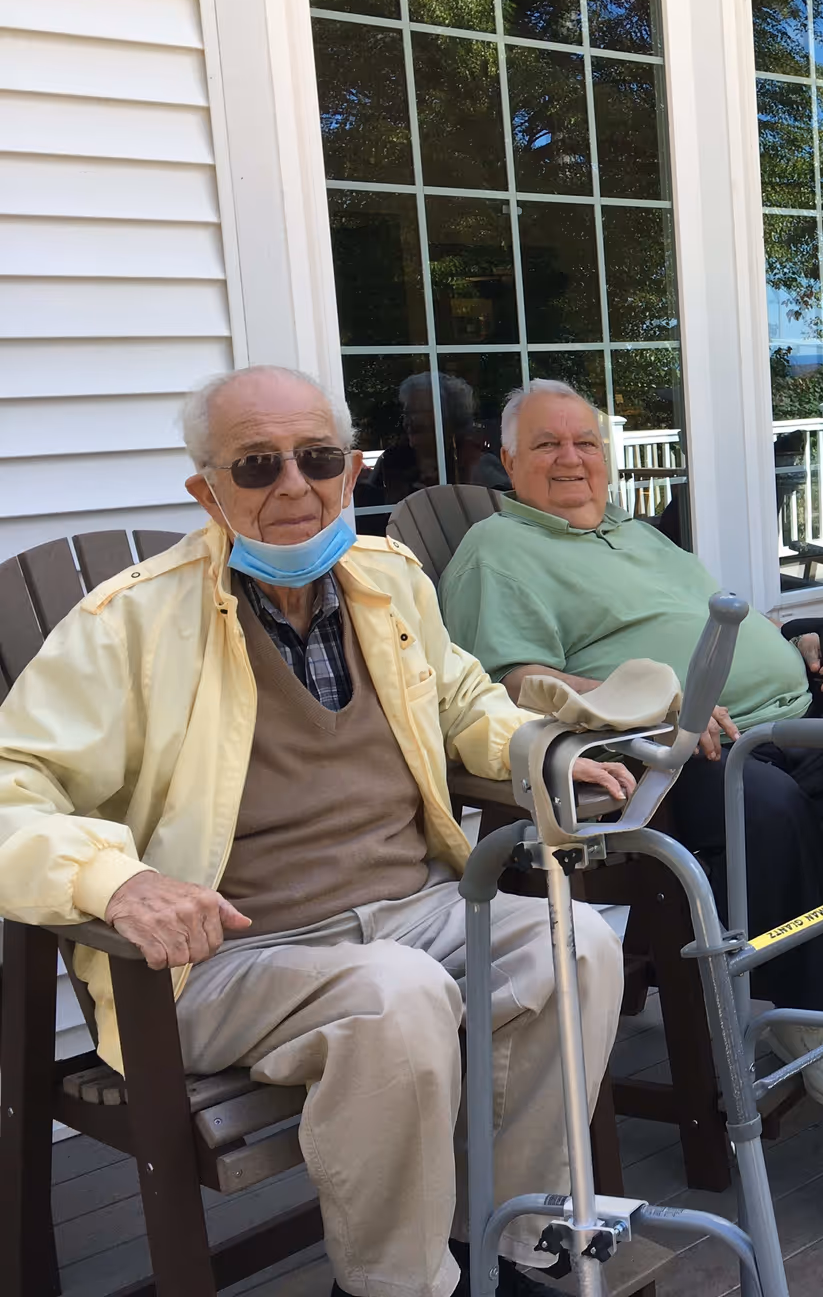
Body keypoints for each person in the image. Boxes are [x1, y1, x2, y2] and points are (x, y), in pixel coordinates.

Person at [0, 366, 637, 1297]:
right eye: (256, 467)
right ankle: (395, 1283)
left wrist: (537, 751)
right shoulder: (129, 624)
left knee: (575, 943)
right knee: (398, 997)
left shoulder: (388, 581)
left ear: (352, 469)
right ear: (205, 490)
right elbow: (13, 782)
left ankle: (512, 1237)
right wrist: (117, 882)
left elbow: (460, 698)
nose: (293, 485)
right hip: (226, 955)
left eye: (318, 458)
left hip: (410, 910)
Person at [439, 379, 823, 1120]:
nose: (572, 459)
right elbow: (515, 682)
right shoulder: (497, 551)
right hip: (666, 749)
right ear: (508, 463)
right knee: (767, 809)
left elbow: (709, 622)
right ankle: (805, 1011)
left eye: (586, 443)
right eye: (547, 445)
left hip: (794, 704)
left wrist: (794, 644)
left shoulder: (636, 532)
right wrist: (650, 704)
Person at [358, 370, 511, 509]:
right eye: (407, 412)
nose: (410, 421)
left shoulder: (478, 463)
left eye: (419, 412)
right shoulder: (391, 460)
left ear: (450, 418)